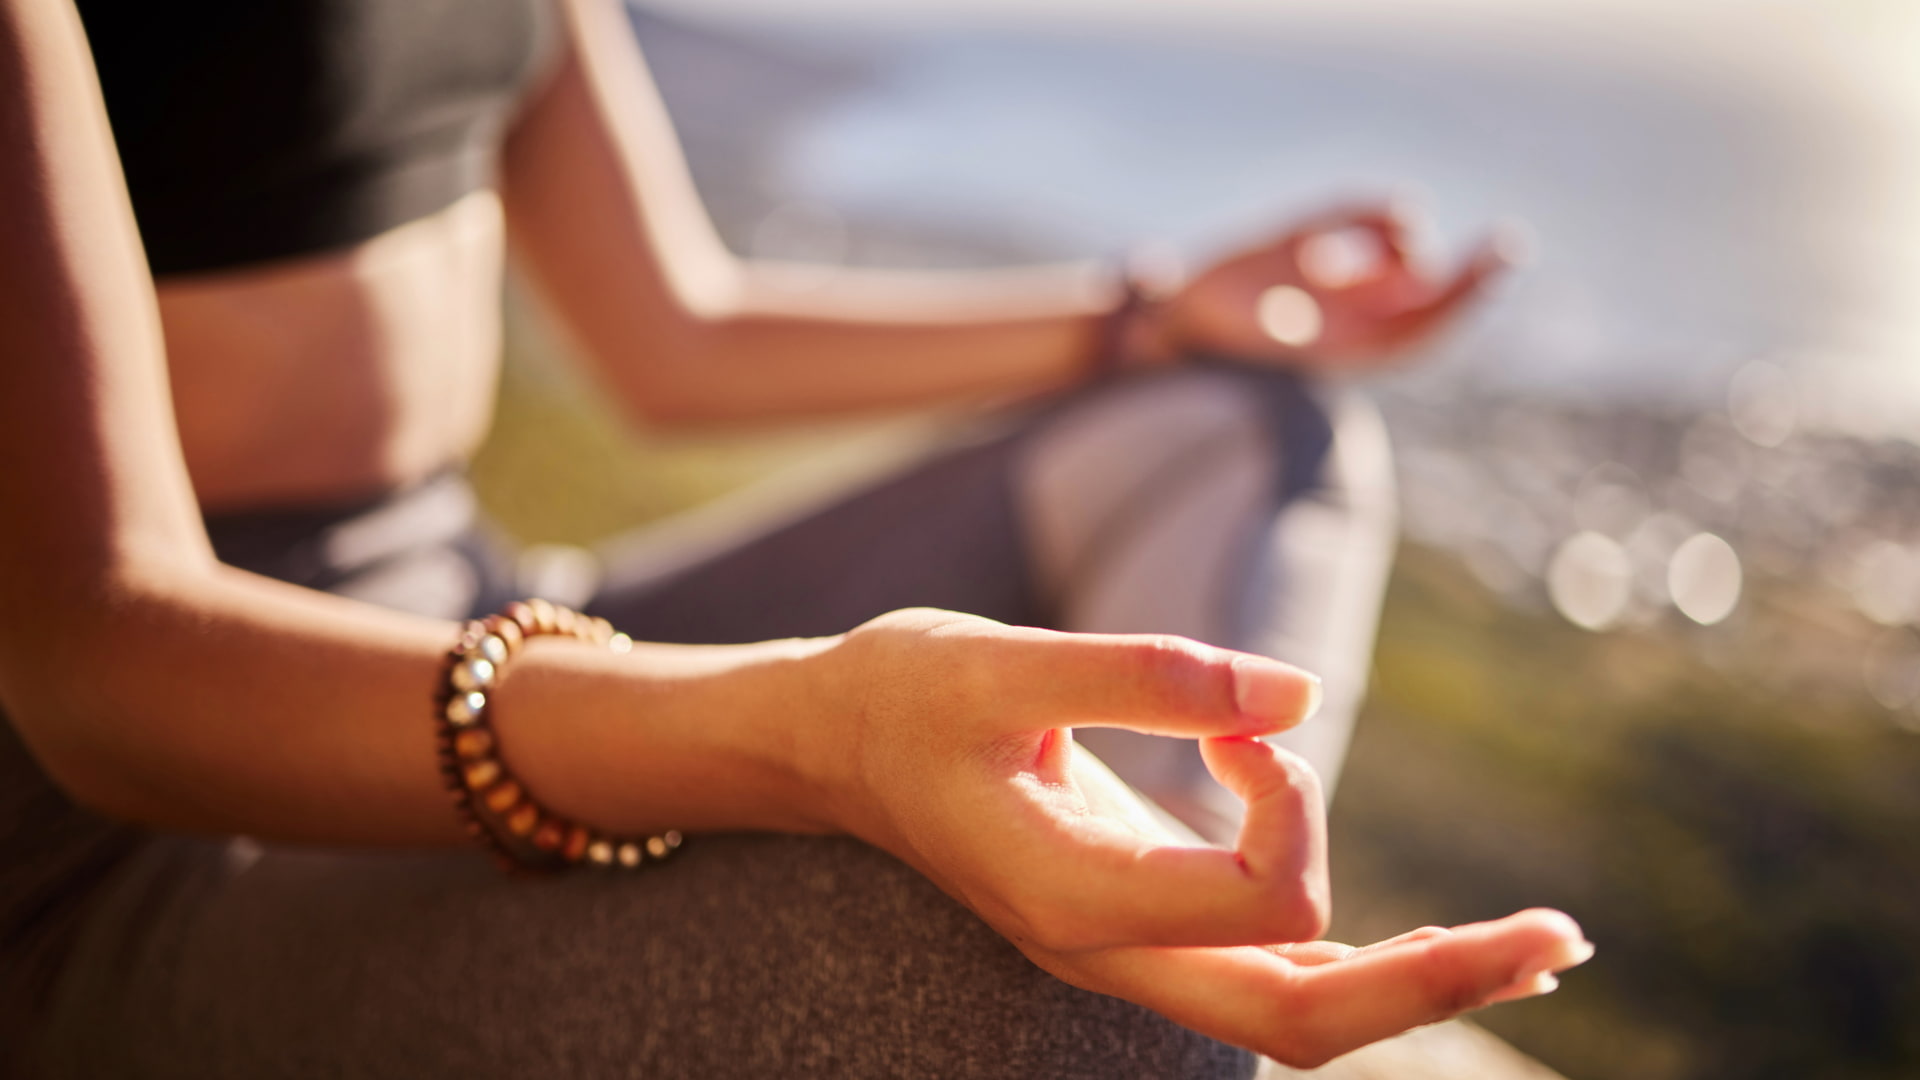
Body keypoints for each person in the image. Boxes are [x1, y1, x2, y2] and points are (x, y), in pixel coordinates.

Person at [0, 0, 1593, 1076]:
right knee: (1068, 1034)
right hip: (146, 824)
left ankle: (1166, 892)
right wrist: (799, 732)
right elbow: (97, 661)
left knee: (1238, 418)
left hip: (471, 602)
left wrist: (1157, 313)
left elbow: (670, 338)